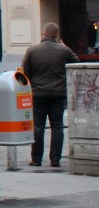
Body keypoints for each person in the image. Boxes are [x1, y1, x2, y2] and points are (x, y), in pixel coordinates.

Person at [20, 22, 79, 168]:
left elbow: (24, 72)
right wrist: (66, 47)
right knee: (57, 127)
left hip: (38, 93)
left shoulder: (32, 50)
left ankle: (36, 159)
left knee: (38, 127)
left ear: (43, 33)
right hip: (58, 94)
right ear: (56, 35)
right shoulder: (63, 50)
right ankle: (55, 159)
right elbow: (76, 62)